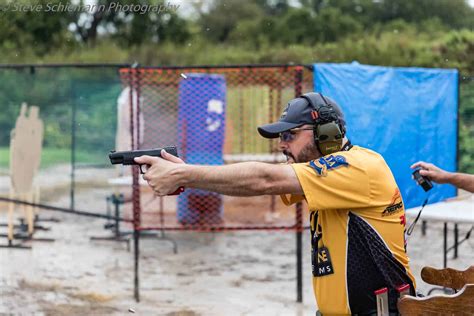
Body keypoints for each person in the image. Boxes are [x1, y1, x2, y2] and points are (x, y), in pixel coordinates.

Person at [135, 92, 416, 315]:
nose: (282, 144)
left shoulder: (358, 167)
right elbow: (250, 182)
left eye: (289, 135)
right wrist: (187, 172)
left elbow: (265, 179)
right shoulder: (329, 174)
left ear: (326, 133)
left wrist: (185, 174)